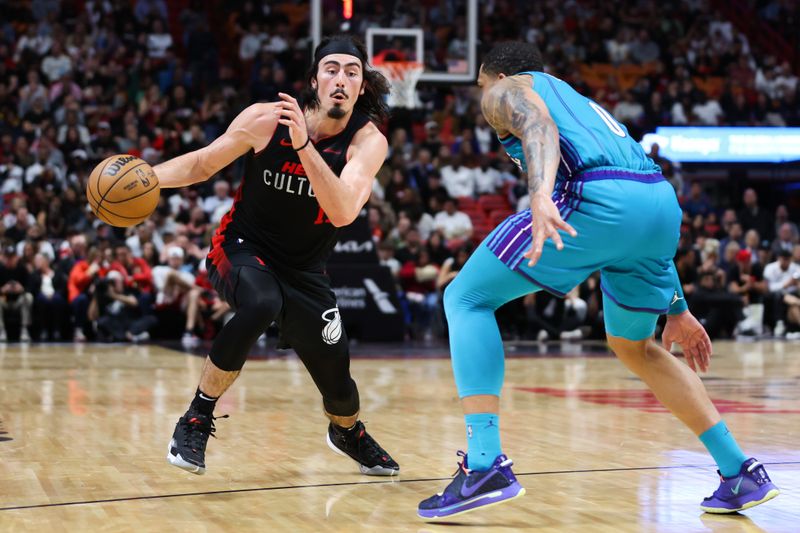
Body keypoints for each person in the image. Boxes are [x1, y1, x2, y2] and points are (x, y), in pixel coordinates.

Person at [418, 42, 779, 520]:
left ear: (493, 75)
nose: (485, 98)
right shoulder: (583, 103)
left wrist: (542, 194)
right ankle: (740, 472)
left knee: (466, 297)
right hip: (658, 204)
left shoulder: (505, 90)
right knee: (636, 347)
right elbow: (637, 200)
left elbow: (535, 125)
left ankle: (485, 465)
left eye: (483, 85)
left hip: (591, 198)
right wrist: (677, 309)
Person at [155, 35, 398, 476]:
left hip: (306, 270)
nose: (340, 79)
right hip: (243, 246)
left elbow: (342, 211)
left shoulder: (368, 142)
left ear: (362, 88)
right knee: (262, 304)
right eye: (331, 69)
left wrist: (305, 146)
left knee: (340, 386)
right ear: (314, 81)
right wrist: (149, 178)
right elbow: (203, 163)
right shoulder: (267, 120)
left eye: (352, 72)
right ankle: (196, 416)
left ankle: (347, 432)